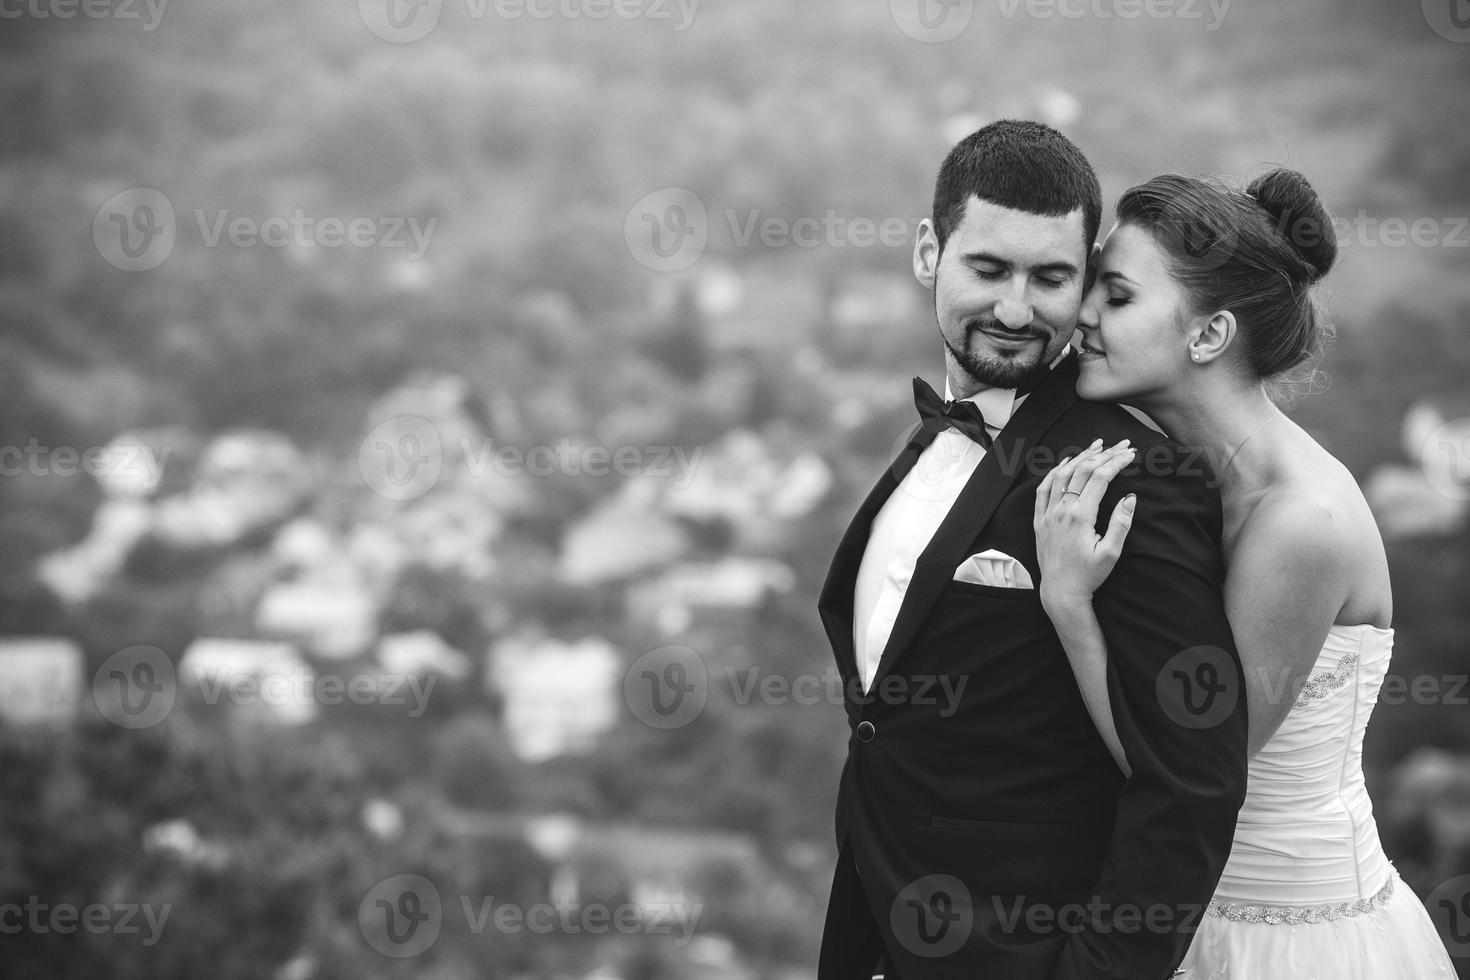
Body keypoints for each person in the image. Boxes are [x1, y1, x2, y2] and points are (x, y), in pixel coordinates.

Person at [816, 119, 1250, 980]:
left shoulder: (1131, 477)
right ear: (927, 254)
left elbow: (1192, 785)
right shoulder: (926, 445)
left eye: (1051, 277)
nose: (1016, 309)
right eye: (988, 268)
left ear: (1084, 280)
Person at [1034, 168, 1457, 977]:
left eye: (1116, 296)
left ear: (1208, 335)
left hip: (1295, 939)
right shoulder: (1196, 483)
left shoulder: (1300, 524)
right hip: (1188, 918)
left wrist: (1068, 604)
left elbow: (1187, 771)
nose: (1081, 313)